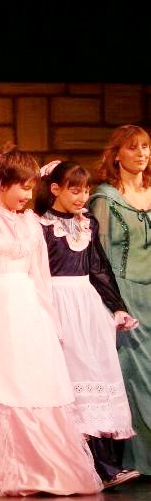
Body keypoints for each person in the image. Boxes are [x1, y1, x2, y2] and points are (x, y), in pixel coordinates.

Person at [0, 149, 102, 497]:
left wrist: (51, 323)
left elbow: (40, 276)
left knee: (33, 385)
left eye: (30, 187)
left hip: (28, 314)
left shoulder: (29, 224)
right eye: (21, 187)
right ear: (1, 183)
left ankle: (40, 467)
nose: (28, 194)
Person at [34, 159, 139, 488]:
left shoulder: (87, 223)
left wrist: (117, 307)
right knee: (70, 382)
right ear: (55, 189)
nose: (82, 197)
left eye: (86, 190)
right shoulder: (39, 225)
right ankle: (78, 468)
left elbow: (99, 268)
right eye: (74, 190)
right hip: (57, 304)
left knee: (97, 376)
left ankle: (107, 466)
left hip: (87, 307)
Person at [89, 125, 151, 475]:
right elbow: (99, 257)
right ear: (116, 155)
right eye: (133, 147)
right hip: (126, 295)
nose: (141, 153)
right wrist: (113, 302)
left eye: (145, 147)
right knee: (132, 374)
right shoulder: (105, 198)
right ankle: (135, 459)